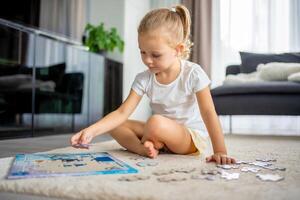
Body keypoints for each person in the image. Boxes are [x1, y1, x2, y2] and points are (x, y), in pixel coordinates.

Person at [71, 5, 235, 165]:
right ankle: (142, 148)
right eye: (143, 52)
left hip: (188, 137)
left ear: (178, 50)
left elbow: (208, 112)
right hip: (157, 129)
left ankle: (152, 141)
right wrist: (91, 130)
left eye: (155, 55)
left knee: (155, 122)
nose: (147, 60)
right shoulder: (144, 78)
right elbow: (122, 112)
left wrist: (220, 150)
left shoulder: (193, 73)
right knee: (115, 124)